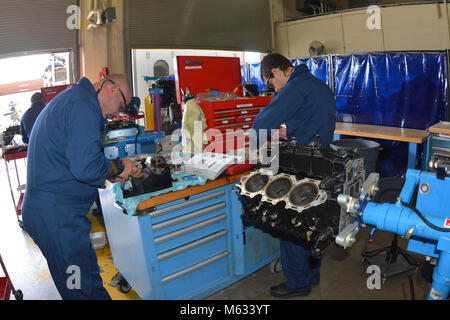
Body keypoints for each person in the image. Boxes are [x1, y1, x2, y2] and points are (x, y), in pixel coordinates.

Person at [21, 74, 142, 300]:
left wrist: (109, 173)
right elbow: (85, 167)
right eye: (121, 105)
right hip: (57, 217)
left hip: (59, 214)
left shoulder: (76, 100)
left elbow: (74, 160)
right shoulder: (83, 106)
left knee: (86, 279)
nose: (117, 113)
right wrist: (117, 166)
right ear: (112, 89)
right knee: (78, 287)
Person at [251, 53, 336, 298]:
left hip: (303, 166)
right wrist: (293, 133)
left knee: (291, 225)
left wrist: (253, 146)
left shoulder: (296, 86)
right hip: (322, 163)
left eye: (271, 83)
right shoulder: (317, 84)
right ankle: (312, 274)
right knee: (313, 221)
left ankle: (297, 284)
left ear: (276, 72)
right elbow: (316, 122)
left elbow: (262, 122)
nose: (274, 89)